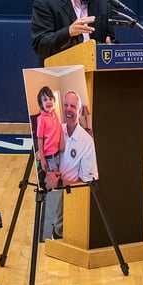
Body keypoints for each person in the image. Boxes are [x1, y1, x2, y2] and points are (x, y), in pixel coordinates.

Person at [50, 90, 99, 239]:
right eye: (66, 105)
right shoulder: (58, 131)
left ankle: (61, 230)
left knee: (69, 194)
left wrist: (60, 182)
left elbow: (88, 183)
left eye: (73, 106)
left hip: (72, 188)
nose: (68, 109)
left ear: (79, 111)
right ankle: (59, 229)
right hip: (55, 182)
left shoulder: (86, 141)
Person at [35, 85, 63, 186]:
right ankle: (50, 200)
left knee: (57, 178)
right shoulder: (41, 118)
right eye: (45, 99)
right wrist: (42, 158)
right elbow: (40, 139)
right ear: (41, 104)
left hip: (57, 155)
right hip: (49, 157)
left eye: (50, 98)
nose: (48, 101)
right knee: (52, 183)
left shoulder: (55, 115)